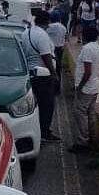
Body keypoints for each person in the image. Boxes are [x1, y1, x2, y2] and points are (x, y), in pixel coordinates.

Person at [23, 9, 59, 142]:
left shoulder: (27, 32)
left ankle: (38, 130)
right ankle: (44, 133)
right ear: (47, 22)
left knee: (36, 106)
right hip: (43, 75)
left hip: (32, 73)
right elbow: (46, 56)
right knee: (47, 106)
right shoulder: (42, 35)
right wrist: (54, 74)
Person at [69, 25, 99, 153]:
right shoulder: (97, 47)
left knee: (80, 114)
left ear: (86, 35)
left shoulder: (87, 49)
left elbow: (87, 71)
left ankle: (82, 141)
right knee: (90, 114)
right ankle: (92, 140)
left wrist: (80, 86)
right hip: (94, 86)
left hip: (86, 88)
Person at [47, 10, 67, 89]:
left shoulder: (50, 26)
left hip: (51, 49)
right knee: (58, 68)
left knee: (50, 67)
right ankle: (57, 87)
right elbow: (65, 39)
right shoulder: (63, 27)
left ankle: (50, 85)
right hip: (60, 49)